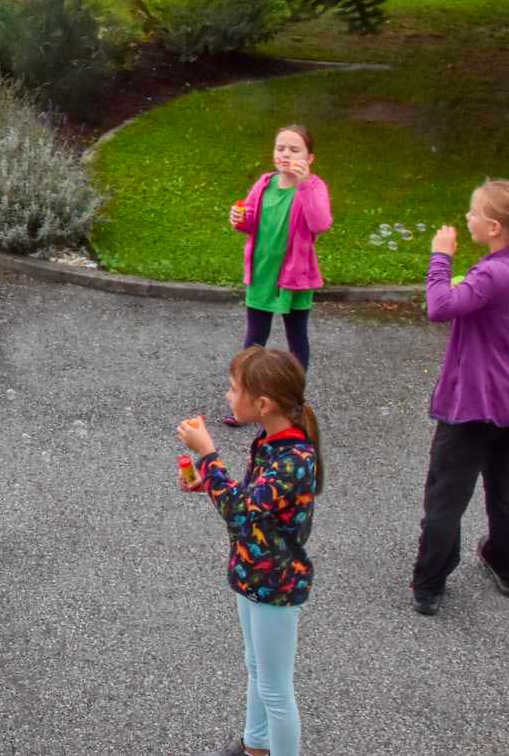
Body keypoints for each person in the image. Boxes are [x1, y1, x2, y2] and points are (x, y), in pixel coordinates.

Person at [411, 179, 509, 617]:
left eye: (472, 213)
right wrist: (465, 284)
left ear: (493, 227)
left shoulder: (490, 273)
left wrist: (441, 256)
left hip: (471, 405)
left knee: (446, 495)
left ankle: (429, 583)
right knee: (507, 492)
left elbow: (438, 307)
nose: (465, 218)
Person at [178, 347, 322, 756]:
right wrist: (207, 481)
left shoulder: (294, 459)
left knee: (276, 690)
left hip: (276, 583)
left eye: (233, 388)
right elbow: (254, 502)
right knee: (257, 668)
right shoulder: (272, 443)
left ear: (262, 404)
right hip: (253, 573)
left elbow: (241, 514)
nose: (227, 395)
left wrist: (208, 456)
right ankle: (255, 745)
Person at [223, 126, 331, 423]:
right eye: (280, 147)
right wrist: (239, 220)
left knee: (297, 338)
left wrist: (305, 183)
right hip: (262, 274)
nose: (285, 154)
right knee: (254, 340)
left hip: (297, 278)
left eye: (294, 150)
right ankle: (245, 401)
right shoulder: (264, 184)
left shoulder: (314, 187)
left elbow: (320, 223)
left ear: (310, 158)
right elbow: (251, 222)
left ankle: (293, 404)